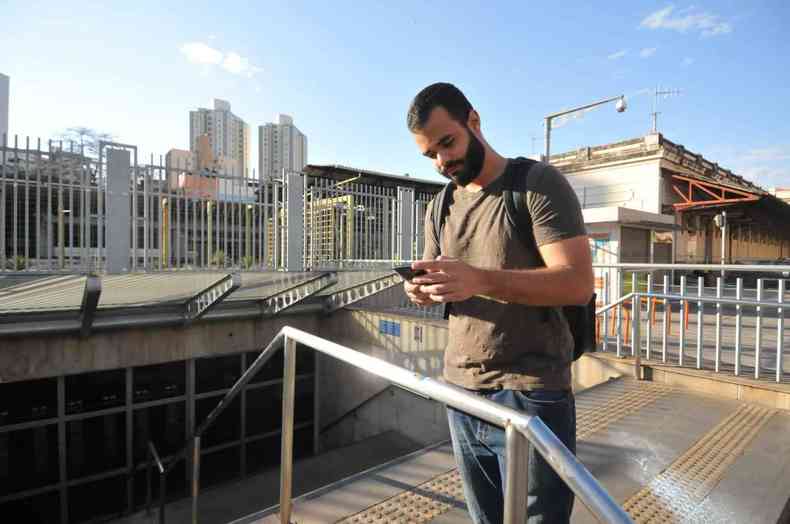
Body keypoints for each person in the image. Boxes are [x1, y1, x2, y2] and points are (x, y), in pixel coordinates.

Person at [404, 82, 593, 524]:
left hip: (530, 393)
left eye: (447, 143)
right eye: (430, 154)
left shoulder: (537, 184)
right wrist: (422, 288)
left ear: (474, 121)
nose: (442, 161)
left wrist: (480, 280)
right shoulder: (441, 205)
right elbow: (443, 277)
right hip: (461, 391)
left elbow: (577, 284)